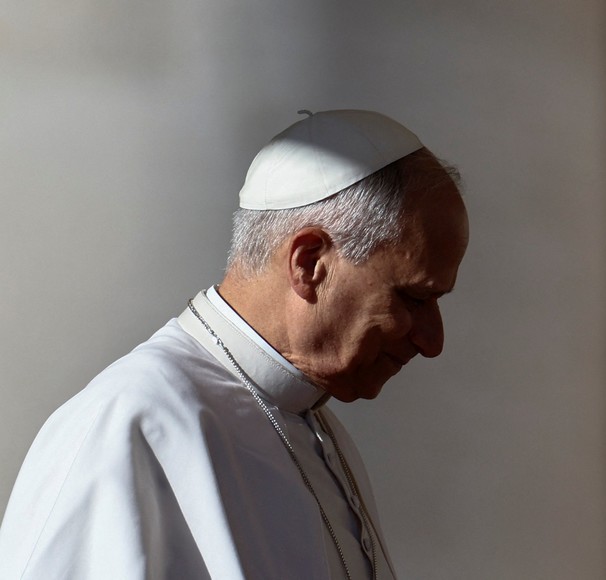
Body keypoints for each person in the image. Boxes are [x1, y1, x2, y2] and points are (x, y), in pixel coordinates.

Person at [0, 109, 470, 579]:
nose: (433, 342)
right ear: (309, 264)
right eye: (414, 297)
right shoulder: (128, 422)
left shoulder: (318, 428)